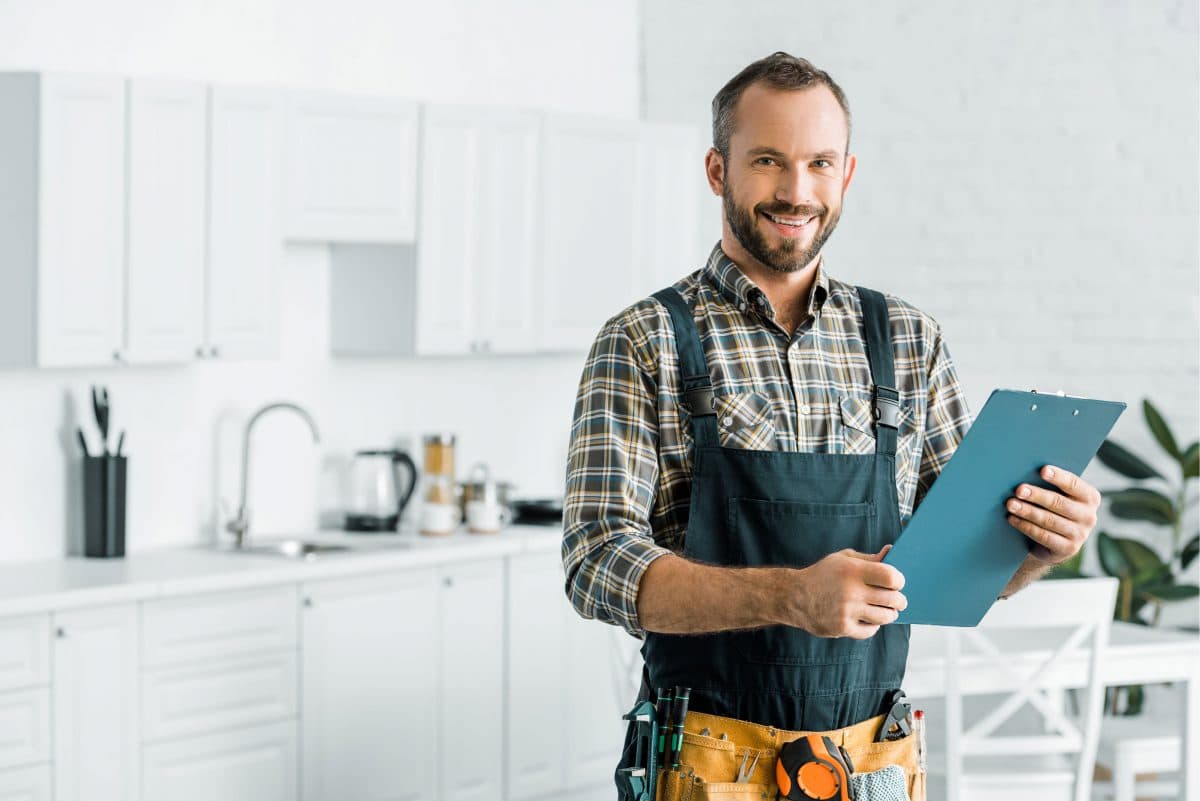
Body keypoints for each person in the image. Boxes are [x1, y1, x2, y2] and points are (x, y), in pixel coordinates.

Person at [562, 52, 1102, 801]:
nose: (796, 190)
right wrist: (789, 595)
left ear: (846, 174)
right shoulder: (645, 339)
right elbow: (595, 561)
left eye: (820, 162)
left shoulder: (909, 340)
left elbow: (957, 565)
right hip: (705, 766)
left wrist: (1041, 545)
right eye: (768, 161)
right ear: (718, 171)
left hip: (872, 764)